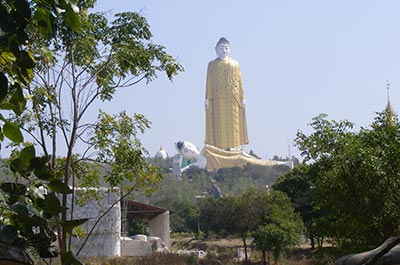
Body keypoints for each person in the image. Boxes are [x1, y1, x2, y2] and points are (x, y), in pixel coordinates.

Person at [205, 37, 249, 150]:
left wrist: (242, 97)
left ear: (230, 49)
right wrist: (207, 98)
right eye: (221, 48)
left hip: (233, 99)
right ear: (216, 49)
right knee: (219, 124)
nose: (224, 51)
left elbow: (240, 81)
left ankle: (235, 147)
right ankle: (219, 148)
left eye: (226, 48)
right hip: (217, 99)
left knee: (234, 124)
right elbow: (209, 81)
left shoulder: (235, 64)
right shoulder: (212, 65)